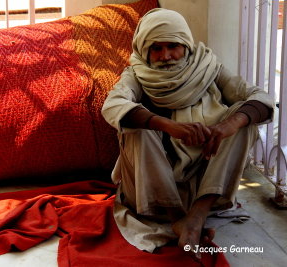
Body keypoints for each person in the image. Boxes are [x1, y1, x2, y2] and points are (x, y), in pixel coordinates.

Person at [101, 8, 274, 260]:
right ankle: (176, 219)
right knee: (138, 129)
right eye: (156, 48)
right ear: (144, 50)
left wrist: (229, 125)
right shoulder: (136, 75)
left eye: (173, 46)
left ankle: (197, 216)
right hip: (152, 189)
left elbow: (261, 97)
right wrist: (167, 125)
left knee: (243, 119)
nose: (166, 56)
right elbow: (113, 105)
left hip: (202, 183)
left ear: (186, 44)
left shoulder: (209, 68)